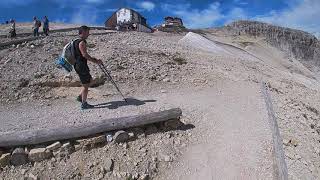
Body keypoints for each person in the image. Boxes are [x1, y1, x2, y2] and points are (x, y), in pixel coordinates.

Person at [74, 25, 102, 109]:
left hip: (77, 65)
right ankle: (84, 104)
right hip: (81, 65)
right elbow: (84, 55)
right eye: (87, 32)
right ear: (82, 32)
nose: (88, 34)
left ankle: (80, 97)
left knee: (89, 80)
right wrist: (96, 61)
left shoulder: (75, 41)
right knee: (86, 85)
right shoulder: (82, 42)